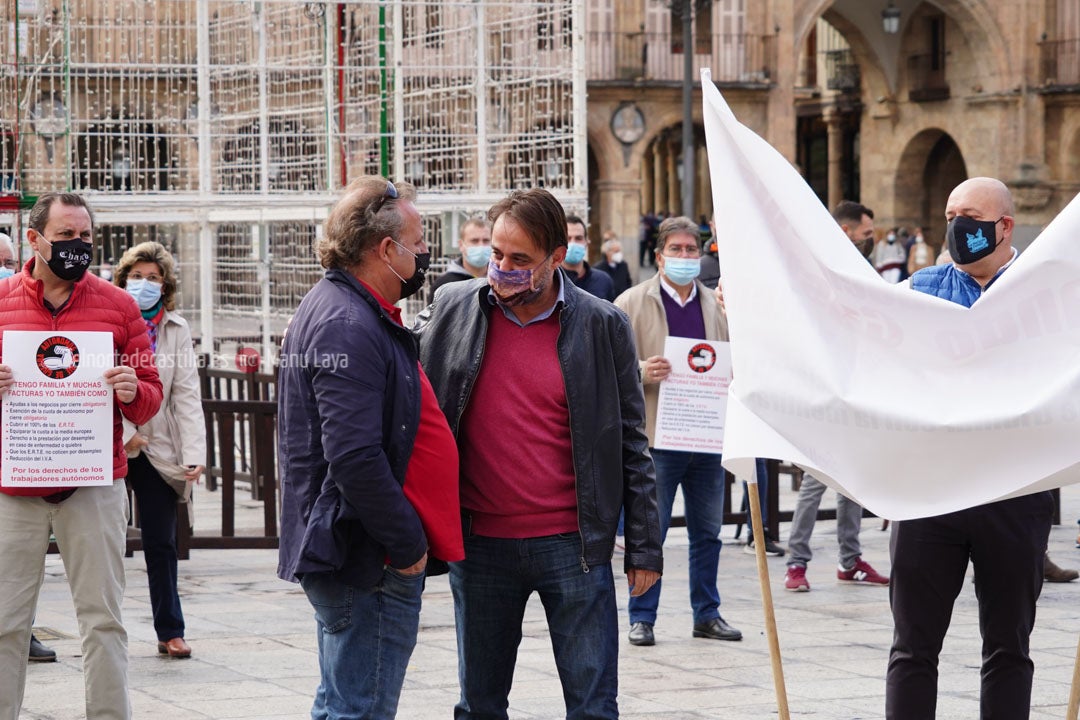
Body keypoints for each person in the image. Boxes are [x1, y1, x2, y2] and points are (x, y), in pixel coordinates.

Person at [415, 188, 662, 720]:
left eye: (519, 259)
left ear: (557, 257)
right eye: (496, 255)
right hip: (480, 547)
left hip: (572, 546)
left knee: (593, 705)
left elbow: (630, 440)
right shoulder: (453, 307)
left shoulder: (602, 324)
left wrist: (644, 546)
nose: (501, 268)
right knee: (479, 705)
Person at [277, 176, 464, 718]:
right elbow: (354, 454)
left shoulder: (348, 308)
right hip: (366, 556)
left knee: (341, 701)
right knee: (360, 708)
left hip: (359, 549)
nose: (427, 252)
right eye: (421, 240)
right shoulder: (346, 321)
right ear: (387, 249)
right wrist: (407, 546)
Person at [886, 177, 1056, 719]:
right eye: (950, 212)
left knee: (1009, 647)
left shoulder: (1051, 288)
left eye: (970, 215)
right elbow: (848, 326)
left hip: (1014, 491)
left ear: (1004, 226)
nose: (958, 226)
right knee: (913, 646)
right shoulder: (921, 288)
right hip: (929, 493)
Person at [0, 192, 163, 720]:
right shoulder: (1, 302)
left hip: (94, 483)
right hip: (14, 486)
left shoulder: (118, 306)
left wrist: (130, 388)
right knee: (5, 622)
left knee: (103, 619)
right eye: (66, 235)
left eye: (86, 237)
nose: (78, 246)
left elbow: (153, 392)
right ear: (34, 239)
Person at [613, 215, 742, 648]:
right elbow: (604, 368)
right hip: (657, 441)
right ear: (659, 256)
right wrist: (640, 370)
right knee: (651, 533)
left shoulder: (716, 305)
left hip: (706, 438)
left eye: (692, 250)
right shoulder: (630, 302)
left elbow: (735, 361)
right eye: (677, 250)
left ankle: (707, 614)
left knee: (708, 532)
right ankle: (642, 617)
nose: (685, 257)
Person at [783, 201, 889, 593]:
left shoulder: (861, 271)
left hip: (857, 393)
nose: (871, 240)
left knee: (852, 485)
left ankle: (850, 559)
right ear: (846, 232)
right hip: (824, 394)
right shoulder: (819, 271)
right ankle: (797, 561)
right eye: (866, 233)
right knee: (815, 482)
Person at [115, 242, 206, 659]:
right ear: (122, 279)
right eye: (136, 277)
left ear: (165, 284)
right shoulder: (109, 318)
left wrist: (194, 451)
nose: (143, 285)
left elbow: (185, 393)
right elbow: (95, 385)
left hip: (157, 446)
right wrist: (124, 436)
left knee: (162, 543)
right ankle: (103, 631)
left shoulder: (176, 328)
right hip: (113, 442)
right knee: (102, 541)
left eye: (152, 278)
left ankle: (170, 630)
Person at [563, 214, 614, 300]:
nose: (573, 243)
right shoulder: (550, 282)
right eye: (568, 238)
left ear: (587, 242)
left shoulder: (603, 281)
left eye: (578, 238)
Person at [432, 217, 491, 292]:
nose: (481, 246)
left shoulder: (500, 281)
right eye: (474, 241)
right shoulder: (444, 285)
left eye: (486, 240)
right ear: (461, 245)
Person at [594, 230, 632, 296]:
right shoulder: (598, 268)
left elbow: (628, 283)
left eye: (619, 251)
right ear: (607, 252)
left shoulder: (623, 265)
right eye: (616, 251)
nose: (618, 254)